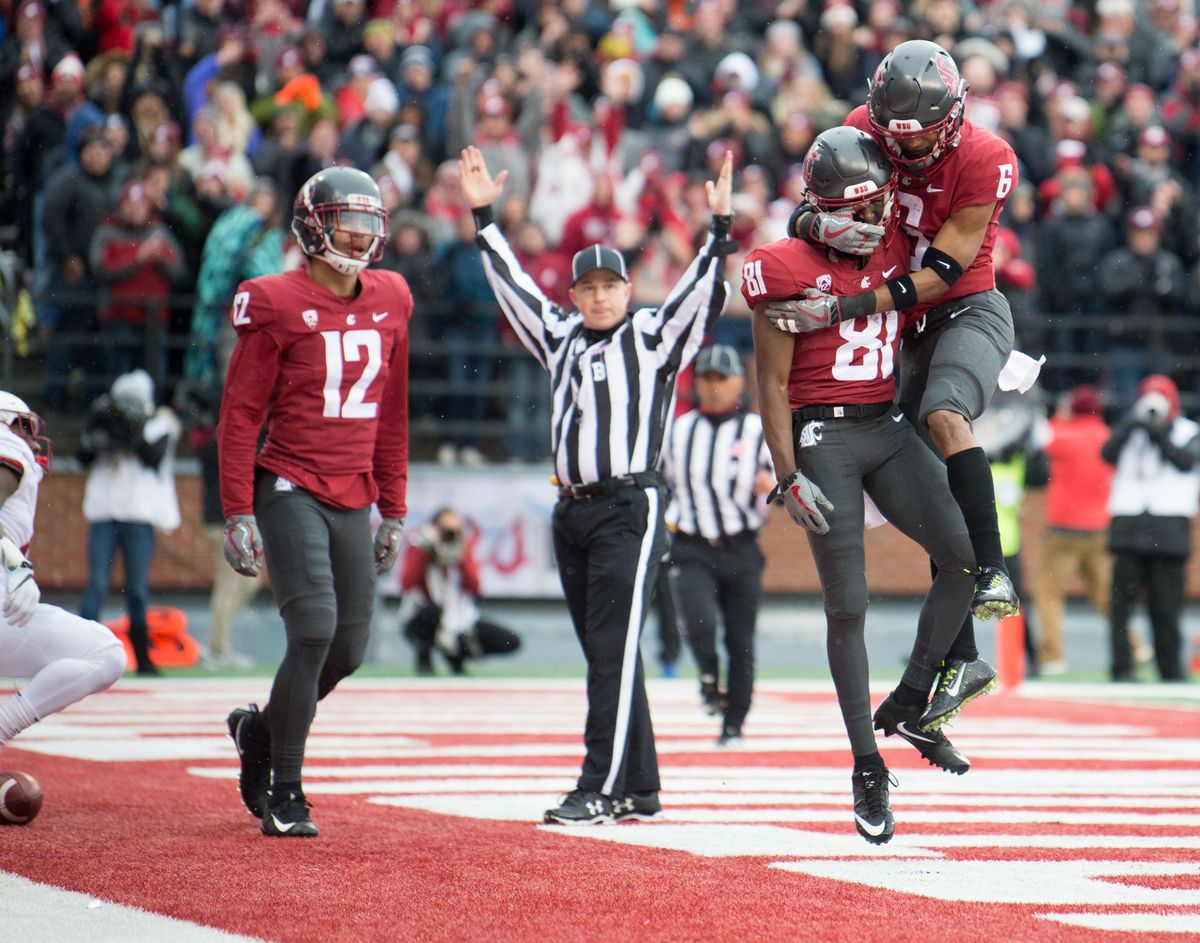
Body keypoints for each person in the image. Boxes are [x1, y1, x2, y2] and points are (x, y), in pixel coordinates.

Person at [458, 143, 735, 826]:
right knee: (605, 651)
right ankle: (638, 782)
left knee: (610, 651)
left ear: (627, 289)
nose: (601, 295)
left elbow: (697, 291)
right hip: (572, 509)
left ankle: (598, 785)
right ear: (576, 294)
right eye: (589, 287)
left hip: (628, 505)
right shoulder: (559, 335)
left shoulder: (651, 336)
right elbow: (514, 285)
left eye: (612, 285)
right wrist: (484, 217)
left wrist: (719, 229)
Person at [748, 126, 991, 846]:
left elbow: (952, 266)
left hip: (885, 425)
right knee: (847, 605)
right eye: (855, 211)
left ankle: (915, 697)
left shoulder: (893, 246)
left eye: (877, 206)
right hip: (822, 435)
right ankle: (865, 763)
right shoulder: (781, 265)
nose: (874, 221)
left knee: (968, 557)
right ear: (820, 210)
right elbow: (769, 382)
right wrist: (786, 474)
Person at [765, 39, 1024, 622]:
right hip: (898, 325)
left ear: (954, 116)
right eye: (896, 134)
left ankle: (996, 572)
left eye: (920, 135)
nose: (906, 147)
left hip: (960, 306)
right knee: (932, 489)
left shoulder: (987, 158)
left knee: (944, 414)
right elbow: (812, 197)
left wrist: (842, 308)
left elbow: (941, 274)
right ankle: (954, 660)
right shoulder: (863, 127)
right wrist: (812, 221)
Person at [219, 166, 412, 838]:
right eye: (344, 220)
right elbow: (241, 415)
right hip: (290, 484)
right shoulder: (272, 299)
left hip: (353, 491)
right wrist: (238, 508)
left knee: (350, 646)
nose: (358, 234)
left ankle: (262, 731)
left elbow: (391, 412)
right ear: (311, 226)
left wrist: (396, 505)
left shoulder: (392, 297)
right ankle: (287, 787)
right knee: (314, 627)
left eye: (367, 221)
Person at [0, 392, 126, 766]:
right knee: (104, 653)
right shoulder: (9, 445)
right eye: (26, 427)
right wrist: (15, 565)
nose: (32, 440)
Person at [663, 343, 773, 746]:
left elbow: (779, 486)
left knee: (740, 640)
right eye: (706, 379)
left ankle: (734, 722)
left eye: (720, 379)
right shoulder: (678, 429)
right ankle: (709, 677)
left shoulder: (757, 430)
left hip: (741, 546)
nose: (712, 388)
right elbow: (663, 482)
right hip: (692, 544)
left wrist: (768, 490)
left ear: (739, 383)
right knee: (698, 624)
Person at [77, 369, 181, 676]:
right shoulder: (104, 419)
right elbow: (84, 455)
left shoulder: (157, 424)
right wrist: (102, 432)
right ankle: (80, 651)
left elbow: (153, 457)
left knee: (137, 589)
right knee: (96, 585)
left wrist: (132, 430)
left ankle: (142, 657)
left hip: (138, 517)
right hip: (104, 515)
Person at [1102, 375, 1198, 682]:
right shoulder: (1131, 430)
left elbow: (1184, 461)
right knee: (1120, 609)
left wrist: (1158, 433)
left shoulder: (1189, 432)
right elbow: (1107, 453)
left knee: (1165, 610)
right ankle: (1122, 669)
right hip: (1129, 528)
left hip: (1168, 531)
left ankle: (1170, 671)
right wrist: (1133, 423)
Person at [1036, 386, 1115, 675]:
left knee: (1049, 594)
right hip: (1099, 527)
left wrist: (1059, 417)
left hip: (1064, 528)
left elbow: (1042, 437)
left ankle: (1054, 656)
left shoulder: (1063, 435)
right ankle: (1134, 645)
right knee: (1105, 593)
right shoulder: (1107, 436)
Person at [400, 507, 521, 675]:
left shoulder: (463, 549)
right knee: (433, 612)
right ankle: (424, 658)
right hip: (422, 618)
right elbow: (407, 583)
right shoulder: (419, 547)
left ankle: (457, 658)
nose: (450, 535)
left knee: (510, 640)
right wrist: (424, 551)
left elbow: (476, 587)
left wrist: (462, 555)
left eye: (455, 530)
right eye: (446, 530)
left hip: (459, 621)